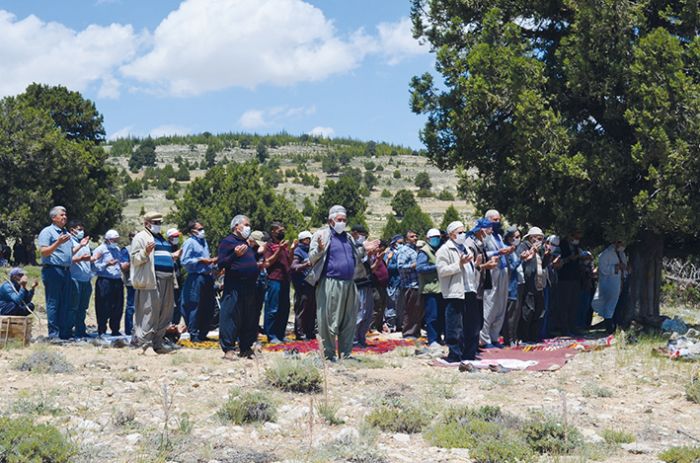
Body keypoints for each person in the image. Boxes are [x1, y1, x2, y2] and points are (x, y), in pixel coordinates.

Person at [307, 205, 360, 361]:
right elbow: (311, 258)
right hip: (330, 282)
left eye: (344, 220)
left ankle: (346, 354)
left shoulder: (348, 237)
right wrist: (320, 250)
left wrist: (365, 249)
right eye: (339, 220)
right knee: (329, 319)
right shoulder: (321, 235)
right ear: (331, 221)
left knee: (349, 319)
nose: (342, 223)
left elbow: (355, 256)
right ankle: (328, 355)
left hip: (349, 283)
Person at [130, 212, 176, 353]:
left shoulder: (161, 238)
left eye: (159, 222)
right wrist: (145, 252)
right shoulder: (141, 237)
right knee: (149, 311)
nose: (158, 225)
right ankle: (146, 343)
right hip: (152, 279)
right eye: (155, 222)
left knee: (165, 311)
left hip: (167, 279)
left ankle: (158, 343)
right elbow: (135, 259)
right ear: (147, 223)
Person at [436, 221, 479, 363]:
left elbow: (470, 268)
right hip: (455, 292)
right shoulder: (445, 250)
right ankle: (454, 354)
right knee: (455, 326)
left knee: (471, 325)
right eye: (459, 232)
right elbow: (442, 271)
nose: (463, 235)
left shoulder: (466, 248)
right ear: (451, 234)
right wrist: (458, 265)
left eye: (463, 232)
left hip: (470, 290)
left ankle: (469, 354)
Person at [218, 214, 260, 359]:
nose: (248, 227)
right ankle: (228, 349)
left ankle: (246, 348)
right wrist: (234, 255)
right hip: (234, 285)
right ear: (237, 226)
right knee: (230, 315)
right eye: (246, 225)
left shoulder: (246, 243)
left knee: (248, 317)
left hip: (249, 286)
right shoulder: (227, 242)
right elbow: (221, 264)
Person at [38, 206, 83, 339]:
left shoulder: (65, 233)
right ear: (54, 217)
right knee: (53, 302)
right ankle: (53, 334)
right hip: (53, 270)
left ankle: (63, 333)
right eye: (62, 215)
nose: (65, 217)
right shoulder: (47, 232)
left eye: (65, 215)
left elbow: (68, 253)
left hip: (66, 271)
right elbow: (43, 252)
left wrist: (81, 246)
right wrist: (57, 243)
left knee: (65, 302)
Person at [480, 209, 513, 348]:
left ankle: (494, 337)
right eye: (495, 220)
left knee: (501, 305)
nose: (497, 222)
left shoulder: (498, 236)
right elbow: (482, 253)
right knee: (490, 304)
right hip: (492, 271)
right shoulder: (484, 236)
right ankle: (485, 339)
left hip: (503, 271)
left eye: (499, 219)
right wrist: (498, 252)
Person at [180, 220, 217, 342]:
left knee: (208, 305)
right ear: (193, 231)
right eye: (200, 229)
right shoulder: (189, 243)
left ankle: (203, 332)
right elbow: (184, 261)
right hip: (196, 276)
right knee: (194, 304)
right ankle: (194, 333)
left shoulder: (204, 242)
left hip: (208, 276)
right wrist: (200, 260)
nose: (202, 231)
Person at [517, 227, 550, 342]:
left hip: (539, 283)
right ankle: (524, 336)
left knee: (539, 311)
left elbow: (543, 265)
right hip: (528, 283)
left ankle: (535, 336)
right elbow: (522, 262)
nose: (540, 241)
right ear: (531, 238)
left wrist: (547, 254)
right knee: (528, 310)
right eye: (538, 238)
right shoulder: (523, 246)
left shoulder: (540, 249)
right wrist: (532, 251)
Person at [263, 222, 294, 344]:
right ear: (273, 231)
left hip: (285, 279)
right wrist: (278, 250)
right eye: (279, 230)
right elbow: (268, 262)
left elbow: (290, 261)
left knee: (284, 308)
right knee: (273, 308)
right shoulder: (269, 246)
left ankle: (281, 334)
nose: (282, 231)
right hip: (274, 279)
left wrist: (292, 250)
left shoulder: (284, 245)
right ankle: (271, 335)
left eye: (283, 229)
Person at [93, 229, 125, 336]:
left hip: (117, 280)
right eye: (113, 240)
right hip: (105, 280)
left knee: (118, 306)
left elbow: (120, 263)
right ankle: (102, 328)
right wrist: (106, 264)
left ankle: (115, 329)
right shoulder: (100, 249)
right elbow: (95, 267)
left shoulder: (117, 249)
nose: (115, 241)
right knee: (103, 305)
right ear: (107, 240)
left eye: (117, 239)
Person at [418, 228, 445, 348]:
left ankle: (438, 337)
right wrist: (436, 267)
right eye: (434, 237)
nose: (437, 240)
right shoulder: (424, 251)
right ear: (428, 239)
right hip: (430, 288)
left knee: (440, 315)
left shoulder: (439, 250)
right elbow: (420, 268)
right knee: (432, 316)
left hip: (440, 288)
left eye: (438, 237)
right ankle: (432, 339)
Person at [350, 224, 376, 347]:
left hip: (367, 283)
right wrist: (364, 249)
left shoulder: (363, 248)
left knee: (367, 313)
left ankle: (361, 338)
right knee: (359, 313)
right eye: (362, 235)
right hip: (357, 284)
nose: (363, 238)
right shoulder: (351, 247)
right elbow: (355, 260)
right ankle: (354, 340)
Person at [592, 240, 626, 334]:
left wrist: (625, 269)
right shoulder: (605, 254)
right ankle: (609, 327)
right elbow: (603, 269)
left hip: (620, 281)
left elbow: (624, 267)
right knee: (610, 305)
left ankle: (617, 325)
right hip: (610, 283)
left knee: (619, 305)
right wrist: (615, 267)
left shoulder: (621, 254)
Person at [68, 220, 92, 338]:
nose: (81, 232)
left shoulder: (85, 243)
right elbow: (67, 259)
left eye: (82, 229)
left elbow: (88, 258)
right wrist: (81, 258)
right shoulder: (69, 242)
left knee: (83, 307)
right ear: (72, 230)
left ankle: (80, 330)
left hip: (86, 279)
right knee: (73, 306)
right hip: (75, 278)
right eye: (79, 229)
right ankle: (69, 330)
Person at [397, 230, 422, 339]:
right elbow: (400, 267)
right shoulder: (404, 250)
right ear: (407, 239)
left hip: (417, 284)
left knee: (417, 310)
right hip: (409, 285)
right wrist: (413, 266)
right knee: (410, 310)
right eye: (412, 236)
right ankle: (408, 333)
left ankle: (415, 331)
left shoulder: (415, 250)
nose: (415, 238)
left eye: (416, 236)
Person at [557, 231, 583, 335]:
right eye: (575, 236)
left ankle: (573, 327)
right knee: (565, 304)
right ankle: (564, 328)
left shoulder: (576, 247)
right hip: (564, 278)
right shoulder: (561, 245)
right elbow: (558, 261)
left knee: (574, 304)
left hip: (575, 278)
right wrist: (569, 259)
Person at [291, 230, 316, 340]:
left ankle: (310, 331)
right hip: (302, 285)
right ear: (304, 240)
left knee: (311, 309)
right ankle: (300, 333)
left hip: (312, 284)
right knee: (302, 309)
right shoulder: (298, 251)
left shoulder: (311, 251)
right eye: (308, 240)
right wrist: (306, 264)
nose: (310, 242)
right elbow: (294, 266)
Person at [501, 226, 523, 346]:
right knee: (509, 315)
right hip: (509, 286)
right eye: (515, 237)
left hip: (516, 285)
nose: (517, 239)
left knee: (515, 314)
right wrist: (521, 259)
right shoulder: (507, 251)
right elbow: (510, 268)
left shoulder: (515, 250)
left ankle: (513, 337)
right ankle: (508, 339)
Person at [383, 235, 403, 331]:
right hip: (392, 283)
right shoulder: (389, 253)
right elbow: (386, 267)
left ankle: (399, 325)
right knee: (391, 304)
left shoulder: (403, 253)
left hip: (401, 282)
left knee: (400, 305)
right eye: (399, 243)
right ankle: (390, 324)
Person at [370, 240, 390, 332]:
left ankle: (379, 326)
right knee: (376, 307)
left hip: (383, 286)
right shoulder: (373, 257)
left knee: (382, 306)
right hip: (376, 285)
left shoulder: (381, 257)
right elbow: (371, 270)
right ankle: (372, 327)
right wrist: (378, 260)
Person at [120, 231, 136, 335]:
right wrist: (135, 261)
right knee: (131, 307)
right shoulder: (126, 250)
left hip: (144, 282)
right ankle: (129, 330)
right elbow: (123, 266)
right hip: (131, 282)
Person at [166, 228, 184, 326]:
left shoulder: (177, 247)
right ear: (170, 237)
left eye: (178, 236)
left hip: (178, 278)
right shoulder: (166, 247)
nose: (177, 238)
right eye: (175, 236)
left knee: (179, 302)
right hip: (170, 279)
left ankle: (175, 323)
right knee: (171, 303)